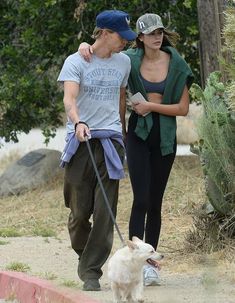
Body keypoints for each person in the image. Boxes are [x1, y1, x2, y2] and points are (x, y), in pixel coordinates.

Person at [79, 13, 194, 287]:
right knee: (140, 199)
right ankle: (134, 264)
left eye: (160, 32)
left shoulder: (177, 64)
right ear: (140, 37)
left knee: (155, 202)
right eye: (151, 33)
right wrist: (83, 45)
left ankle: (151, 265)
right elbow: (99, 53)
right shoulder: (127, 60)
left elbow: (183, 109)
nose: (157, 37)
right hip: (137, 135)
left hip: (165, 137)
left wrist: (150, 106)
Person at [57, 10, 137, 291]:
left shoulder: (124, 62)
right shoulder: (75, 61)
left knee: (106, 211)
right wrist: (78, 122)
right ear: (104, 32)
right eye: (120, 36)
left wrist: (122, 136)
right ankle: (85, 255)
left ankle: (91, 271)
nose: (125, 42)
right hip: (81, 139)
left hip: (111, 140)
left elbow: (120, 98)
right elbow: (69, 98)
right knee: (79, 213)